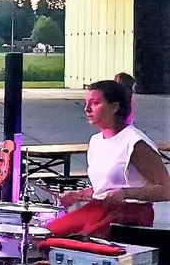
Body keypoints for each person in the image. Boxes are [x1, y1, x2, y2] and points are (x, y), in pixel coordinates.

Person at [48, 79, 170, 238]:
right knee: (45, 234)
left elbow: (166, 190)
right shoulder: (95, 141)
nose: (86, 109)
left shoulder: (135, 142)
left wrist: (126, 193)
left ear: (114, 107)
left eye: (95, 103)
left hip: (131, 214)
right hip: (98, 208)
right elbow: (104, 189)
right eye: (86, 103)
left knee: (78, 242)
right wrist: (78, 194)